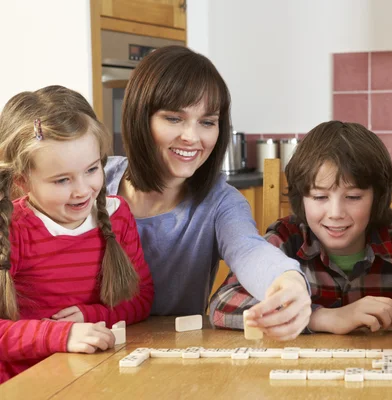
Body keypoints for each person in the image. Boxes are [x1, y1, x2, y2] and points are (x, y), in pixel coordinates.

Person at [210, 121, 392, 334]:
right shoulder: (285, 241)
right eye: (320, 197)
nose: (336, 213)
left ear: (377, 197)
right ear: (301, 198)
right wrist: (321, 318)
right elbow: (221, 305)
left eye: (354, 197)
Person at [105, 45, 311, 341]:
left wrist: (289, 281)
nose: (192, 137)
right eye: (173, 118)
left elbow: (249, 250)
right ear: (140, 117)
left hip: (174, 355)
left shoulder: (221, 202)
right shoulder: (94, 182)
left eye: (207, 122)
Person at [0, 85, 154, 383]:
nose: (83, 190)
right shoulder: (11, 228)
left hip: (96, 378)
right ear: (22, 180)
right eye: (61, 180)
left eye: (92, 169)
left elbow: (143, 297)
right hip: (26, 385)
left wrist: (91, 315)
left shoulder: (117, 216)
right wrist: (59, 335)